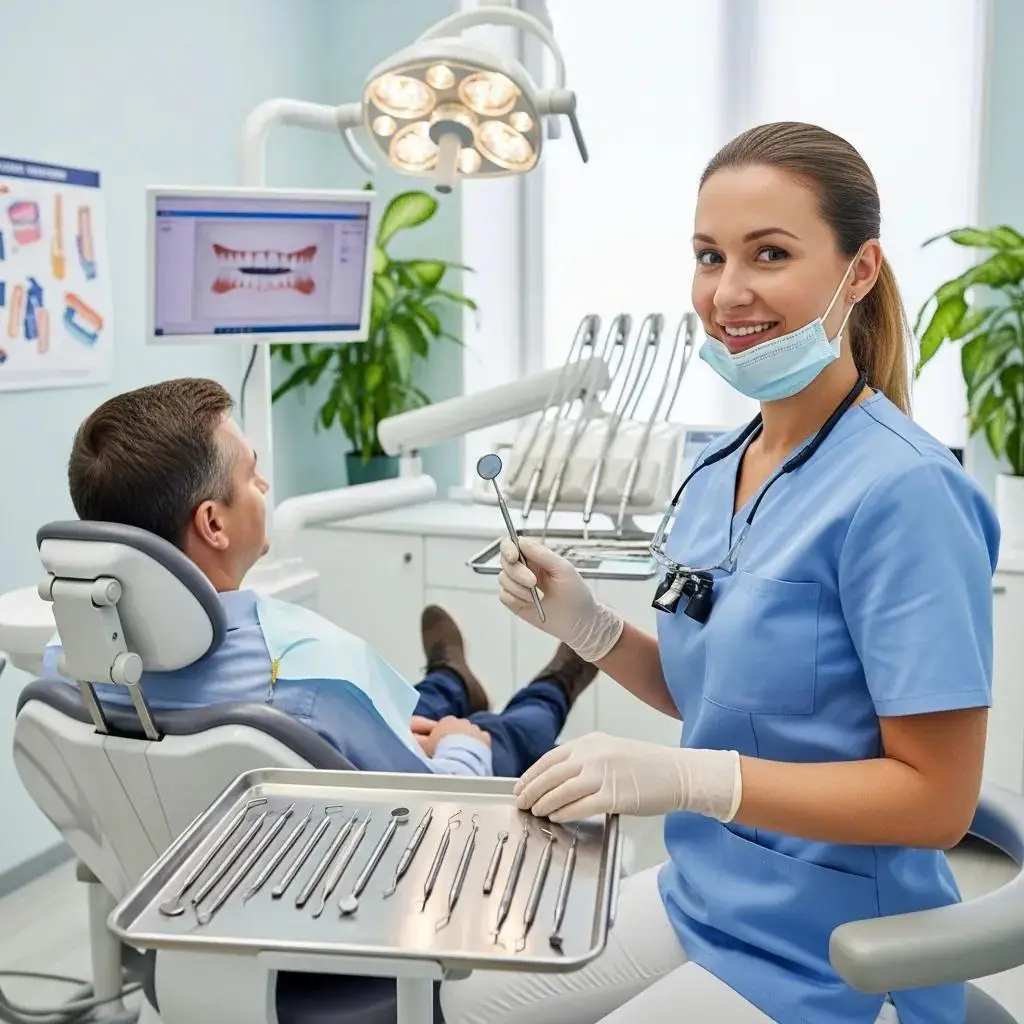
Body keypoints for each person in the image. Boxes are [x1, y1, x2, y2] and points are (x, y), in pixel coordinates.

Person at [441, 122, 1000, 1024]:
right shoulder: (715, 471)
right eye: (709, 256)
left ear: (858, 273)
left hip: (839, 948)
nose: (727, 292)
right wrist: (588, 629)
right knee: (468, 1004)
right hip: (706, 888)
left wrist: (695, 781)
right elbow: (727, 699)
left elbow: (936, 800)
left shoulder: (906, 494)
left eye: (769, 254)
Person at [44, 379, 596, 778]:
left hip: (198, 879)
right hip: (351, 870)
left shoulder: (70, 664)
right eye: (249, 472)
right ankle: (555, 683)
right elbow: (445, 803)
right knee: (502, 733)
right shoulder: (314, 680)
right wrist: (461, 746)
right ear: (213, 523)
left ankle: (449, 676)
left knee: (423, 709)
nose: (262, 483)